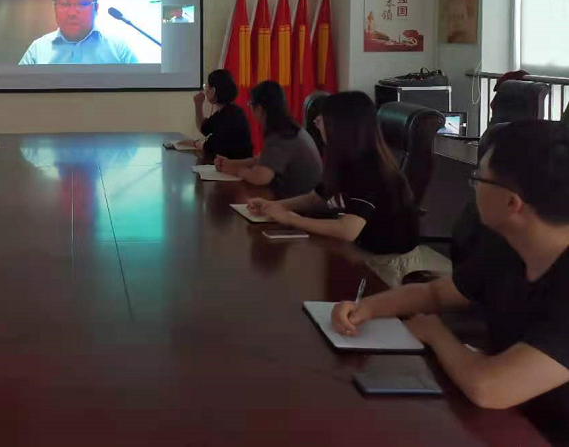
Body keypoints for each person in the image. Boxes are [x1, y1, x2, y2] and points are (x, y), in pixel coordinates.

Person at [331, 121, 569, 445]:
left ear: (512, 203)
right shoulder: (508, 247)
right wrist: (366, 308)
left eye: (478, 178)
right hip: (514, 418)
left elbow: (490, 388)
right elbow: (435, 293)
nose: (474, 187)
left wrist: (436, 334)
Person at [247, 91, 420, 255]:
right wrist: (274, 206)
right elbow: (316, 199)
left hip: (385, 262)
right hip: (362, 249)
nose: (316, 122)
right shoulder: (346, 158)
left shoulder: (368, 168)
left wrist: (291, 219)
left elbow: (348, 230)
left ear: (341, 126)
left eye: (322, 118)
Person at [215, 80, 321, 198]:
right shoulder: (288, 127)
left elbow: (260, 177)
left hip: (302, 203)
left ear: (260, 109)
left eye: (250, 104)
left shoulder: (281, 135)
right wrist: (229, 163)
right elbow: (260, 160)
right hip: (300, 198)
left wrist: (238, 171)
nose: (250, 109)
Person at [19, 0, 137, 65]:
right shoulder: (37, 49)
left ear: (96, 8)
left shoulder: (118, 48)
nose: (72, 13)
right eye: (64, 4)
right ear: (55, 8)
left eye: (82, 3)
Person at [177, 69, 252, 159]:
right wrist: (198, 105)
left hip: (235, 165)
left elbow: (211, 148)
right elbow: (204, 129)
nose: (205, 90)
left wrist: (195, 143)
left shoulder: (231, 115)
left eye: (206, 86)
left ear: (213, 91)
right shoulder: (226, 111)